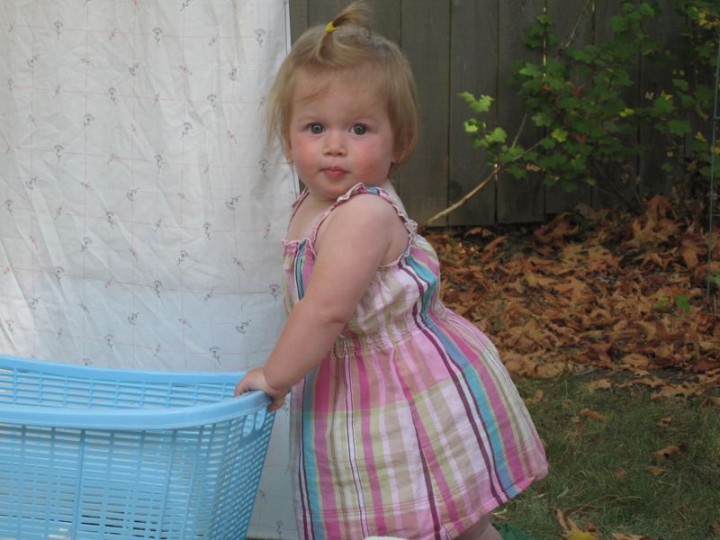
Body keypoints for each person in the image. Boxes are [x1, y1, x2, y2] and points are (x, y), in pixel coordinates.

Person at [235, 2, 548, 538]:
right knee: (430, 518)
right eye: (316, 127)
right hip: (354, 385)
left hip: (398, 391)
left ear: (398, 142)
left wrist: (274, 375)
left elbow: (327, 309)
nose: (335, 144)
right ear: (289, 140)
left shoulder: (362, 214)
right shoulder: (313, 203)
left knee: (418, 517)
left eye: (359, 128)